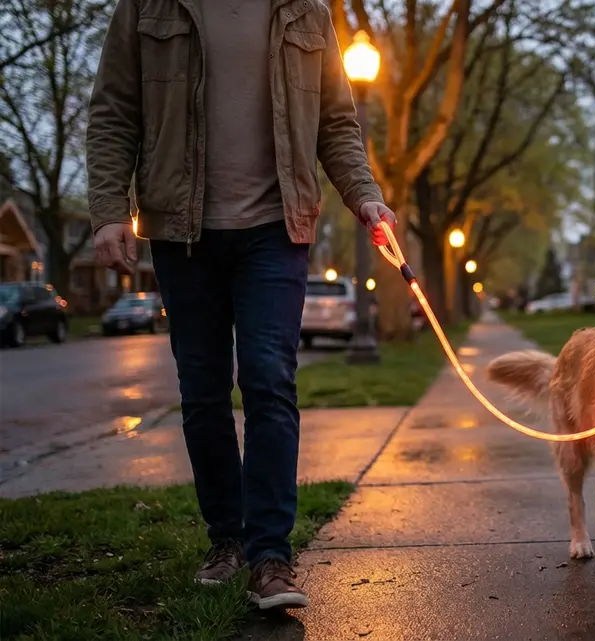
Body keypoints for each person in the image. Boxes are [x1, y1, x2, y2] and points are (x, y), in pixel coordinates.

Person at [85, 0, 393, 610]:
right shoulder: (149, 6)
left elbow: (336, 122)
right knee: (202, 391)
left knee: (269, 379)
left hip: (277, 228)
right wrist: (108, 212)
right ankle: (225, 540)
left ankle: (270, 557)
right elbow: (114, 109)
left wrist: (365, 197)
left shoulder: (306, 10)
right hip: (181, 229)